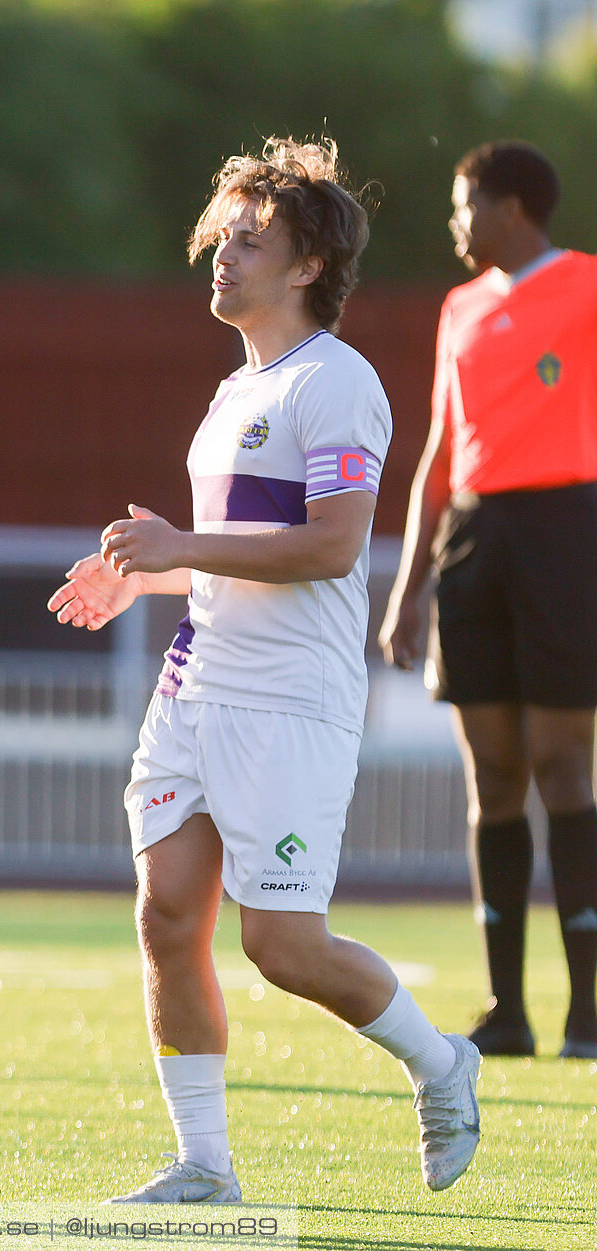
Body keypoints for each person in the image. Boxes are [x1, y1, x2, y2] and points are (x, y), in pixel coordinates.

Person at [48, 139, 480, 1203]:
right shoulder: (235, 391)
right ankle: (204, 1167)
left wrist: (181, 549)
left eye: (250, 243)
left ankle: (443, 1063)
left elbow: (331, 548)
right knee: (165, 915)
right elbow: (232, 554)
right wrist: (141, 578)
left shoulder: (337, 383)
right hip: (197, 690)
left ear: (305, 268)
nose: (223, 259)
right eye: (221, 240)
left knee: (283, 946)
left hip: (291, 705)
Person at [379, 141, 597, 1060]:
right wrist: (407, 585)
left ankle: (588, 1012)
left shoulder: (587, 286)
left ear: (511, 208)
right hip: (473, 538)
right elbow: (441, 444)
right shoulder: (459, 307)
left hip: (565, 533)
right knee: (493, 775)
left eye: (464, 204)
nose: (456, 222)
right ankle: (505, 1009)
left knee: (560, 763)